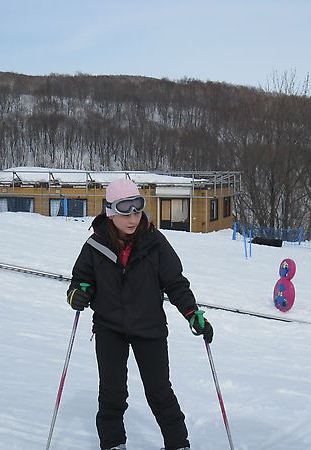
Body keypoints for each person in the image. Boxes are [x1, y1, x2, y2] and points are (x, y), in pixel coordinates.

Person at [66, 178, 214, 450]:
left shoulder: (155, 242)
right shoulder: (95, 245)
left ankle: (178, 444)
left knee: (159, 392)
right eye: (125, 211)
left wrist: (192, 313)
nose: (133, 218)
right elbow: (78, 282)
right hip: (109, 328)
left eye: (138, 210)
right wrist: (78, 295)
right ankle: (113, 444)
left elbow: (175, 283)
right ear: (110, 212)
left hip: (149, 328)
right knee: (112, 393)